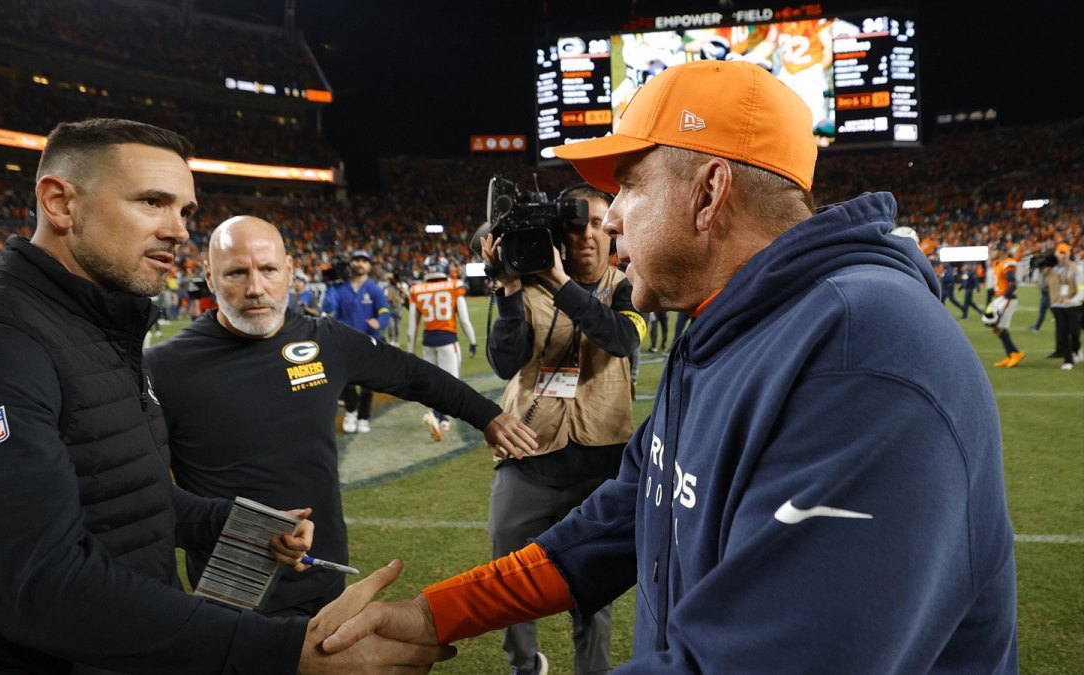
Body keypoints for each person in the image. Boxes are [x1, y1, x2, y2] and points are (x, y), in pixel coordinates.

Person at [320, 60, 1018, 674]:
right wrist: (436, 613)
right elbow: (623, 516)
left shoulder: (864, 351)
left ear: (710, 192)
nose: (611, 216)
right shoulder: (727, 321)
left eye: (628, 186)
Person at [0, 118, 453, 673]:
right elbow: (42, 587)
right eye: (152, 202)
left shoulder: (96, 330)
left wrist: (242, 522)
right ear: (59, 203)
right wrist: (287, 651)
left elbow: (125, 494)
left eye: (185, 211)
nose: (180, 231)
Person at [145, 215, 538, 619]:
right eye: (237, 273)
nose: (256, 288)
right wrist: (240, 525)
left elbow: (413, 374)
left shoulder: (325, 340)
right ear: (209, 276)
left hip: (325, 574)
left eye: (268, 270)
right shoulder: (163, 368)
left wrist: (488, 416)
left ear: (291, 270)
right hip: (234, 594)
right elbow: (143, 496)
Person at [479, 184, 645, 675]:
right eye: (578, 224)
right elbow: (504, 361)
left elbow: (618, 339)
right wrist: (508, 289)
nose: (589, 235)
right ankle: (523, 665)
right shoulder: (526, 283)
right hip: (528, 455)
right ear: (560, 233)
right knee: (508, 575)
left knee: (592, 590)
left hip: (600, 463)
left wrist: (559, 284)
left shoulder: (626, 287)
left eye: (599, 224)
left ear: (612, 232)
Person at [407, 254, 478, 441]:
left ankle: (442, 416)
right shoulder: (453, 286)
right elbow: (464, 320)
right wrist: (472, 341)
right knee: (451, 383)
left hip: (428, 341)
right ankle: (437, 416)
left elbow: (412, 327)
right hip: (447, 340)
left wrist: (410, 350)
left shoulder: (417, 289)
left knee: (433, 381)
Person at [322, 248, 389, 433]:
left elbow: (384, 310)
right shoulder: (340, 287)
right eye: (357, 260)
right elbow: (327, 309)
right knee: (345, 382)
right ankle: (352, 410)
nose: (360, 263)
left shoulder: (374, 288)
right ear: (352, 263)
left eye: (364, 260)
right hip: (344, 342)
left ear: (369, 265)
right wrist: (329, 286)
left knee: (367, 385)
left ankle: (363, 417)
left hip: (369, 341)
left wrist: (379, 322)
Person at [1046, 242, 1084, 370]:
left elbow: (1082, 289)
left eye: (1064, 254)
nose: (1062, 257)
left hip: (1073, 305)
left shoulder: (1076, 268)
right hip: (1057, 305)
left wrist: (1074, 300)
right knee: (1062, 333)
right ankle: (1068, 360)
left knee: (1075, 331)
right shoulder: (1051, 269)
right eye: (1060, 253)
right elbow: (1040, 282)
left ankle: (1076, 349)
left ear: (1068, 254)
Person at [987, 246, 1024, 367]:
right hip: (1000, 298)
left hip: (1007, 298)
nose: (991, 252)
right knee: (994, 326)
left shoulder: (1006, 263)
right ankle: (1010, 355)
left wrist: (1005, 297)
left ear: (1001, 252)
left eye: (994, 250)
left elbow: (1012, 283)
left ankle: (1015, 353)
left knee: (998, 326)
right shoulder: (997, 264)